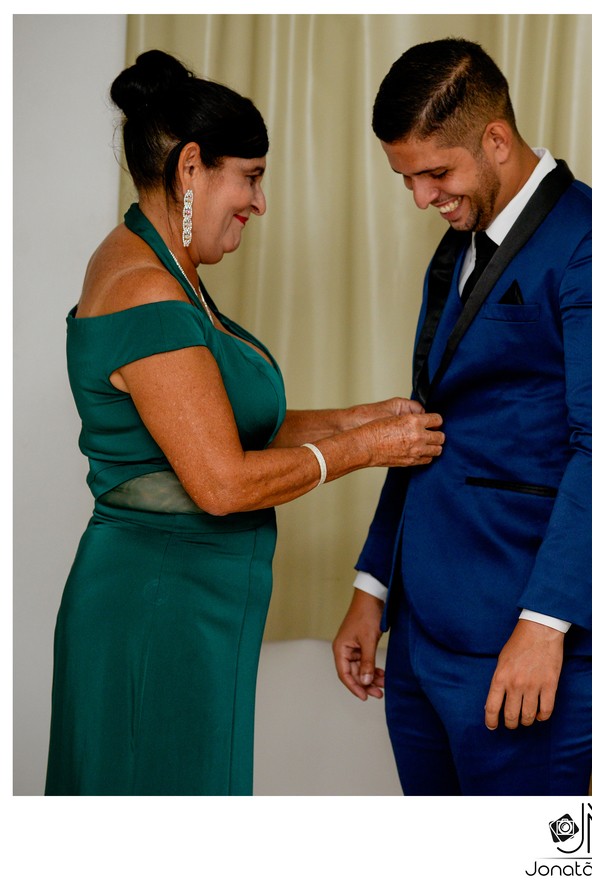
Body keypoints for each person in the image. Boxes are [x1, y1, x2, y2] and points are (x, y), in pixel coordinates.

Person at [45, 49, 445, 796]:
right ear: (190, 167)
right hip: (157, 605)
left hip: (182, 598)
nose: (260, 203)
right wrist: (364, 448)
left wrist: (361, 418)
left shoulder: (166, 272)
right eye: (251, 177)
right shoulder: (145, 291)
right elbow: (223, 482)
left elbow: (217, 426)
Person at [332, 38, 592, 795]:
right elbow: (427, 424)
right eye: (406, 178)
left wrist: (544, 624)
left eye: (436, 174)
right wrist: (373, 587)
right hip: (420, 630)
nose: (421, 198)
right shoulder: (458, 246)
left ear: (495, 139)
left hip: (521, 630)